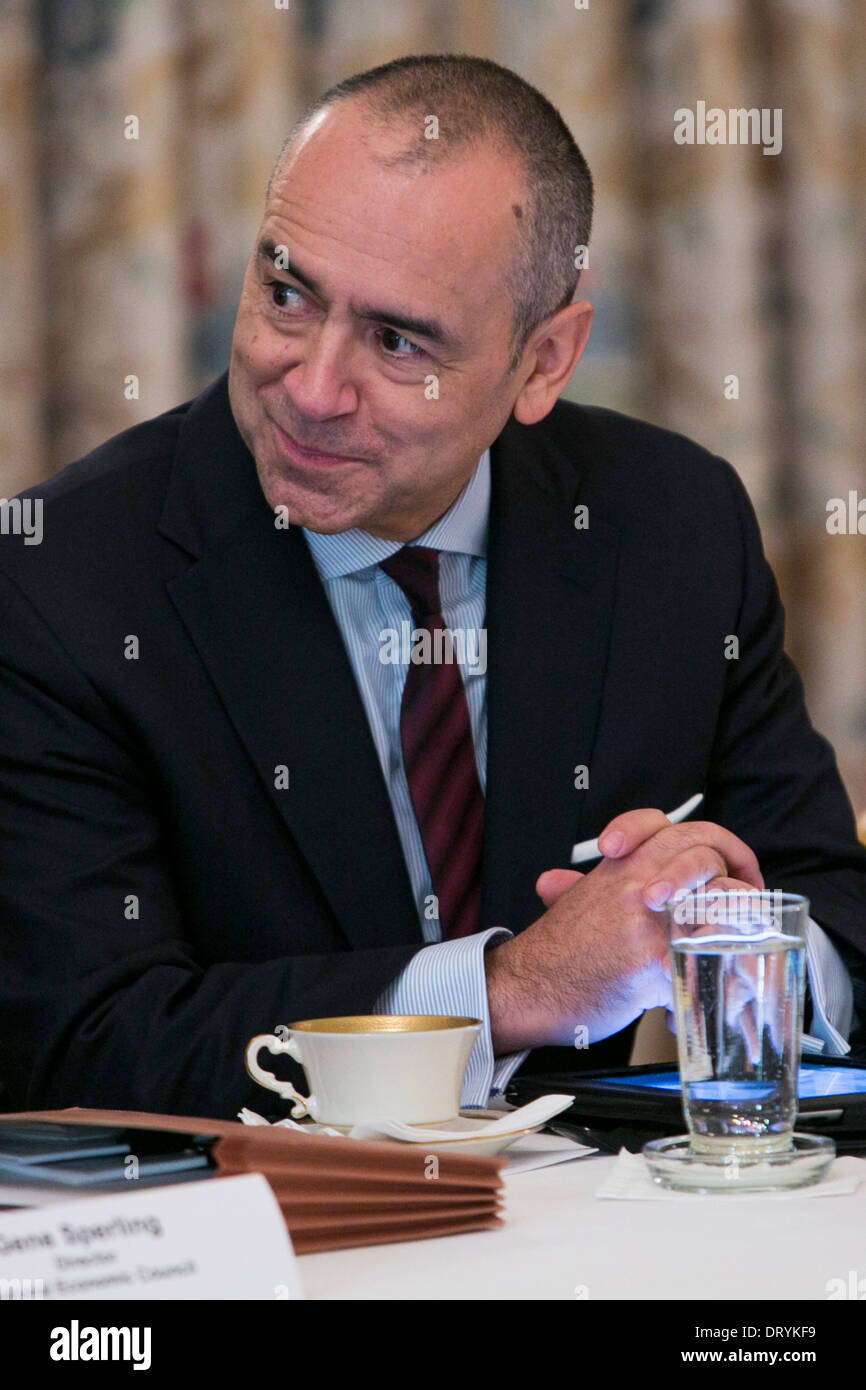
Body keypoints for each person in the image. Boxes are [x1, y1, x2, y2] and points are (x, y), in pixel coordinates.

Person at [1, 55, 864, 1121]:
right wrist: (512, 993)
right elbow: (78, 1039)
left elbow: (834, 918)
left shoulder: (669, 525)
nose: (311, 389)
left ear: (543, 361)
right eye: (285, 294)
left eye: (396, 340)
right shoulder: (62, 581)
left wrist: (724, 938)